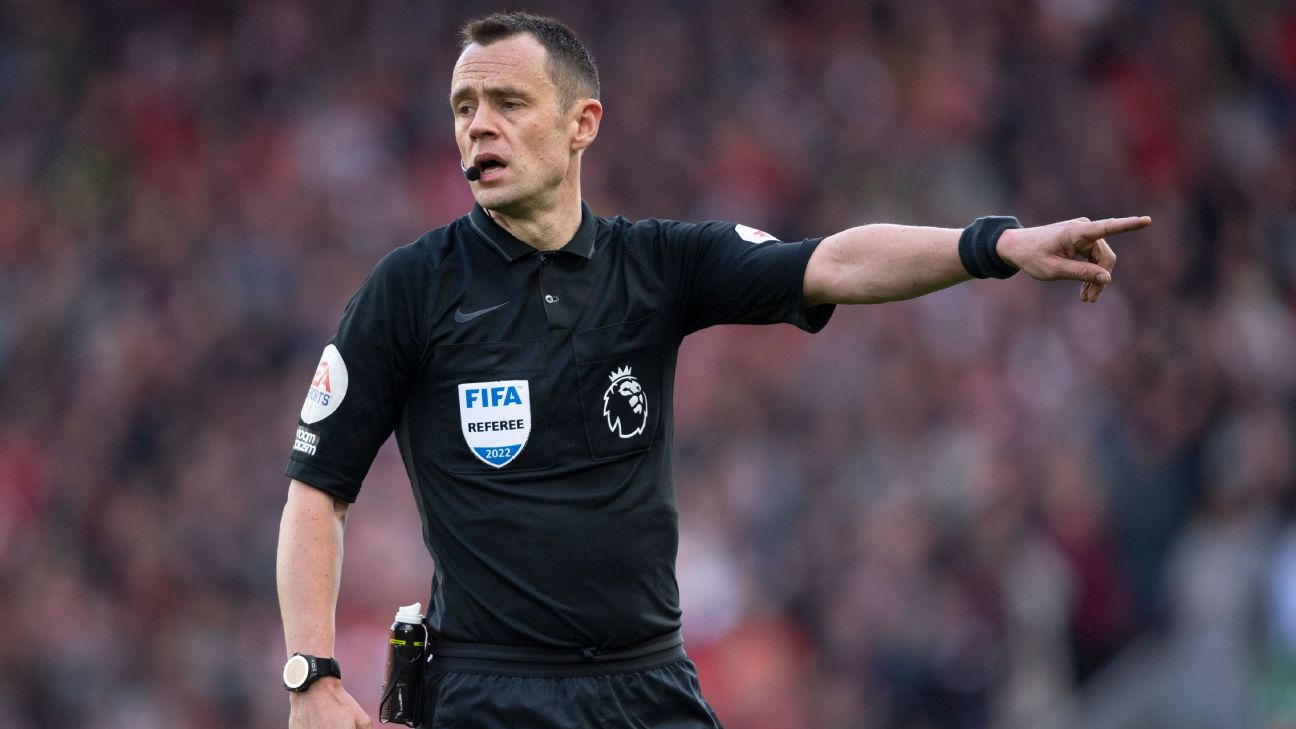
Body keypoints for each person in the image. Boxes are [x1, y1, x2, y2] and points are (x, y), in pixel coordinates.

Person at [276, 11, 1150, 729]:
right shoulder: (410, 289)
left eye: (508, 101)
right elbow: (317, 490)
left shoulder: (655, 264)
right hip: (490, 693)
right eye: (465, 105)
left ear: (583, 124)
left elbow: (834, 261)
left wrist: (996, 245)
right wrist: (310, 671)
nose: (479, 125)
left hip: (646, 684)